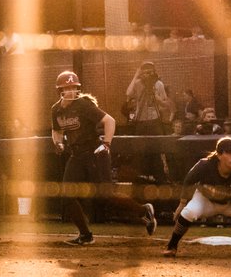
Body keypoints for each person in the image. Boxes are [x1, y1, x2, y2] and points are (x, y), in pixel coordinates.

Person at [50, 71, 156, 246]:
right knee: (66, 196)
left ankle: (143, 211)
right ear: (59, 91)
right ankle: (85, 236)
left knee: (106, 195)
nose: (70, 91)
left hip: (94, 153)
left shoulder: (83, 105)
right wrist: (59, 143)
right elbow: (56, 131)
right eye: (66, 88)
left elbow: (110, 121)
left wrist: (106, 143)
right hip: (76, 155)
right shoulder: (56, 109)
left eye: (73, 88)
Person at [125, 61, 170, 136]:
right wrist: (136, 75)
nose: (148, 75)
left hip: (154, 120)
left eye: (150, 72)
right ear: (142, 74)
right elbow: (128, 93)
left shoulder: (159, 84)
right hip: (141, 120)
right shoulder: (137, 84)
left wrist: (157, 99)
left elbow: (166, 105)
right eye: (146, 72)